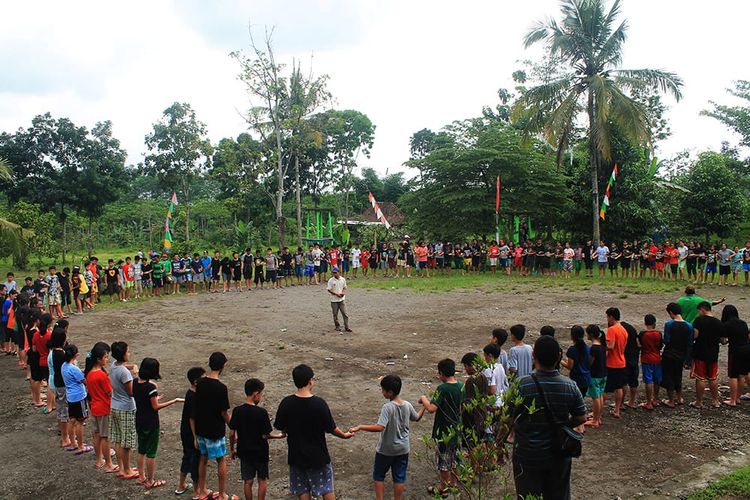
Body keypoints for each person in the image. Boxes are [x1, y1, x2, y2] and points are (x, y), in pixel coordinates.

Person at [511, 336, 586, 500]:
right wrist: (564, 425)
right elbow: (581, 417)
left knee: (527, 495)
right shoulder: (569, 385)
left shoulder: (521, 385)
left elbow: (508, 418)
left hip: (527, 453)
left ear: (534, 356)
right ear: (559, 357)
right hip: (558, 453)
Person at [274, 364, 353, 500]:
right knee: (327, 489)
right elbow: (331, 428)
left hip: (296, 455)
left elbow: (281, 426)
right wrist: (344, 435)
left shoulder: (286, 403)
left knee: (303, 490)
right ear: (310, 381)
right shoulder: (319, 403)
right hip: (318, 456)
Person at [349, 375, 424, 500]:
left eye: (383, 390)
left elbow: (380, 427)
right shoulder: (407, 405)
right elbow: (417, 417)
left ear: (390, 392)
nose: (382, 392)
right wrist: (424, 406)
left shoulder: (387, 408)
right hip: (403, 449)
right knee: (399, 477)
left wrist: (360, 427)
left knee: (379, 475)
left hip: (386, 449)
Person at [229, 378, 286, 500]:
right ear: (256, 394)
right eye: (261, 394)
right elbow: (265, 435)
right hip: (260, 452)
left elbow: (232, 433)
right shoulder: (261, 412)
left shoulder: (237, 411)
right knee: (262, 480)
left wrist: (232, 449)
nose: (261, 397)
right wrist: (279, 436)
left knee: (247, 481)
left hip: (244, 451)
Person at [134, 357, 183, 489]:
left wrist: (155, 398)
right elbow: (155, 407)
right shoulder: (151, 387)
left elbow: (144, 398)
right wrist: (173, 401)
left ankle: (141, 477)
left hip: (139, 419)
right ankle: (150, 481)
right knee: (151, 452)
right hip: (151, 422)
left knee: (141, 450)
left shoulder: (134, 383)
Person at [418, 359, 463, 498]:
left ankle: (442, 488)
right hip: (457, 429)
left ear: (441, 373)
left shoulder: (442, 389)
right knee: (455, 459)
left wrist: (423, 399)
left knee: (444, 461)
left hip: (444, 430)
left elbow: (432, 408)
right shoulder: (461, 386)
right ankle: (454, 484)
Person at [84, 342, 118, 472]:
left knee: (97, 434)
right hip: (104, 408)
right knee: (105, 437)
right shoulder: (101, 375)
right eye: (105, 357)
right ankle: (109, 463)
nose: (107, 359)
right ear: (99, 359)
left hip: (95, 407)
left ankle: (99, 460)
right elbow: (110, 393)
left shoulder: (89, 373)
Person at [109, 341, 140, 480]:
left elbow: (122, 367)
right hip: (126, 407)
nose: (129, 353)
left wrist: (132, 366)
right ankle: (127, 470)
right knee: (126, 442)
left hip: (115, 405)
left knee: (118, 438)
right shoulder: (124, 374)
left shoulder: (114, 365)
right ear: (123, 354)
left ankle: (122, 467)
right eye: (128, 351)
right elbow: (131, 392)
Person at [176, 367, 205, 497]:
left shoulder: (190, 393)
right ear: (196, 382)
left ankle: (181, 485)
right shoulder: (194, 397)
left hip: (185, 431)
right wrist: (196, 437)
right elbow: (192, 418)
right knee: (195, 461)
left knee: (187, 457)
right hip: (192, 433)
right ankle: (196, 491)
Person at [690, 302, 725, 408]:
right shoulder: (719, 323)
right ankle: (715, 401)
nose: (699, 313)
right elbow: (723, 340)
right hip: (713, 353)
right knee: (713, 377)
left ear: (703, 309)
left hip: (700, 352)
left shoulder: (699, 321)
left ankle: (699, 402)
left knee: (700, 378)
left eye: (699, 311)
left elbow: (695, 336)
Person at [61, 344, 94, 455]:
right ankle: (81, 446)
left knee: (72, 420)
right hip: (79, 396)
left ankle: (74, 443)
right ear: (76, 355)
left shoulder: (64, 366)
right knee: (80, 421)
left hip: (70, 396)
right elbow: (84, 381)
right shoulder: (74, 369)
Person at [660, 303, 694, 408]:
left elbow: (666, 340)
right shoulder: (689, 326)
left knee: (669, 376)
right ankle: (679, 398)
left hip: (669, 354)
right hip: (681, 354)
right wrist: (688, 359)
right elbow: (690, 344)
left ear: (671, 312)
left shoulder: (669, 324)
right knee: (678, 376)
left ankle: (671, 400)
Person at [721, 305, 750, 406]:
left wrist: (727, 340)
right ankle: (737, 397)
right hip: (746, 348)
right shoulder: (743, 323)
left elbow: (723, 341)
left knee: (733, 375)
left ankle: (732, 400)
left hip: (735, 350)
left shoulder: (726, 324)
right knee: (742, 374)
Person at [603, 307, 628, 418]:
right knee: (618, 387)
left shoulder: (612, 329)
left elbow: (610, 346)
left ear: (611, 317)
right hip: (621, 361)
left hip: (611, 362)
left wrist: (601, 347)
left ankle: (597, 411)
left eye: (607, 317)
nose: (607, 319)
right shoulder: (623, 329)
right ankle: (617, 410)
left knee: (605, 388)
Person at [561, 326, 591, 409]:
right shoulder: (587, 348)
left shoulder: (572, 350)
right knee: (581, 399)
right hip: (586, 378)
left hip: (577, 378)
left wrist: (560, 361)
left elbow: (570, 366)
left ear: (572, 336)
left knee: (574, 401)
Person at [637, 315, 663, 410]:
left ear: (645, 323)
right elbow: (660, 346)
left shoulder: (642, 334)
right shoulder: (658, 334)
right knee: (657, 380)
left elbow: (639, 345)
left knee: (648, 380)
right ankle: (655, 399)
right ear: (654, 323)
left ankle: (648, 402)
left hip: (646, 358)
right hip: (657, 358)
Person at [584, 324, 607, 428]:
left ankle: (595, 420)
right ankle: (598, 416)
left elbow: (590, 362)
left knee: (595, 397)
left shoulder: (594, 348)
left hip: (595, 375)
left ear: (591, 334)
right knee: (600, 395)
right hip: (603, 374)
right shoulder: (602, 345)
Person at [327, 266, 351, 333]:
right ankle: (337, 326)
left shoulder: (343, 279)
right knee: (335, 314)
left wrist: (343, 293)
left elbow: (345, 287)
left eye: (336, 273)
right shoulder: (331, 280)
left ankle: (347, 327)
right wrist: (336, 294)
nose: (334, 274)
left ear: (339, 272)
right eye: (333, 273)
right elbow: (329, 289)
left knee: (345, 314)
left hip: (341, 299)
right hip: (334, 300)